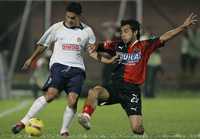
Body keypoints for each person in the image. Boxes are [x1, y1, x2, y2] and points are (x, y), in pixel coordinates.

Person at [78, 13, 198, 135]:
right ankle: (86, 117)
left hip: (132, 91)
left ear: (135, 32)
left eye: (126, 31)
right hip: (115, 86)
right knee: (95, 91)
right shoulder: (117, 45)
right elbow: (101, 45)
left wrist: (183, 26)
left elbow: (165, 36)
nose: (123, 34)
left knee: (137, 128)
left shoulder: (145, 46)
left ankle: (143, 135)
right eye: (121, 31)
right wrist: (94, 46)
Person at [11, 2, 116, 138]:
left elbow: (92, 52)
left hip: (77, 70)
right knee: (51, 94)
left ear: (79, 16)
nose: (70, 20)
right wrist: (31, 59)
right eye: (68, 17)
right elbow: (43, 45)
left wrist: (108, 60)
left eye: (73, 18)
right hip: (59, 66)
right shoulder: (57, 28)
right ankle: (23, 122)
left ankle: (64, 131)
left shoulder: (87, 31)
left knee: (73, 101)